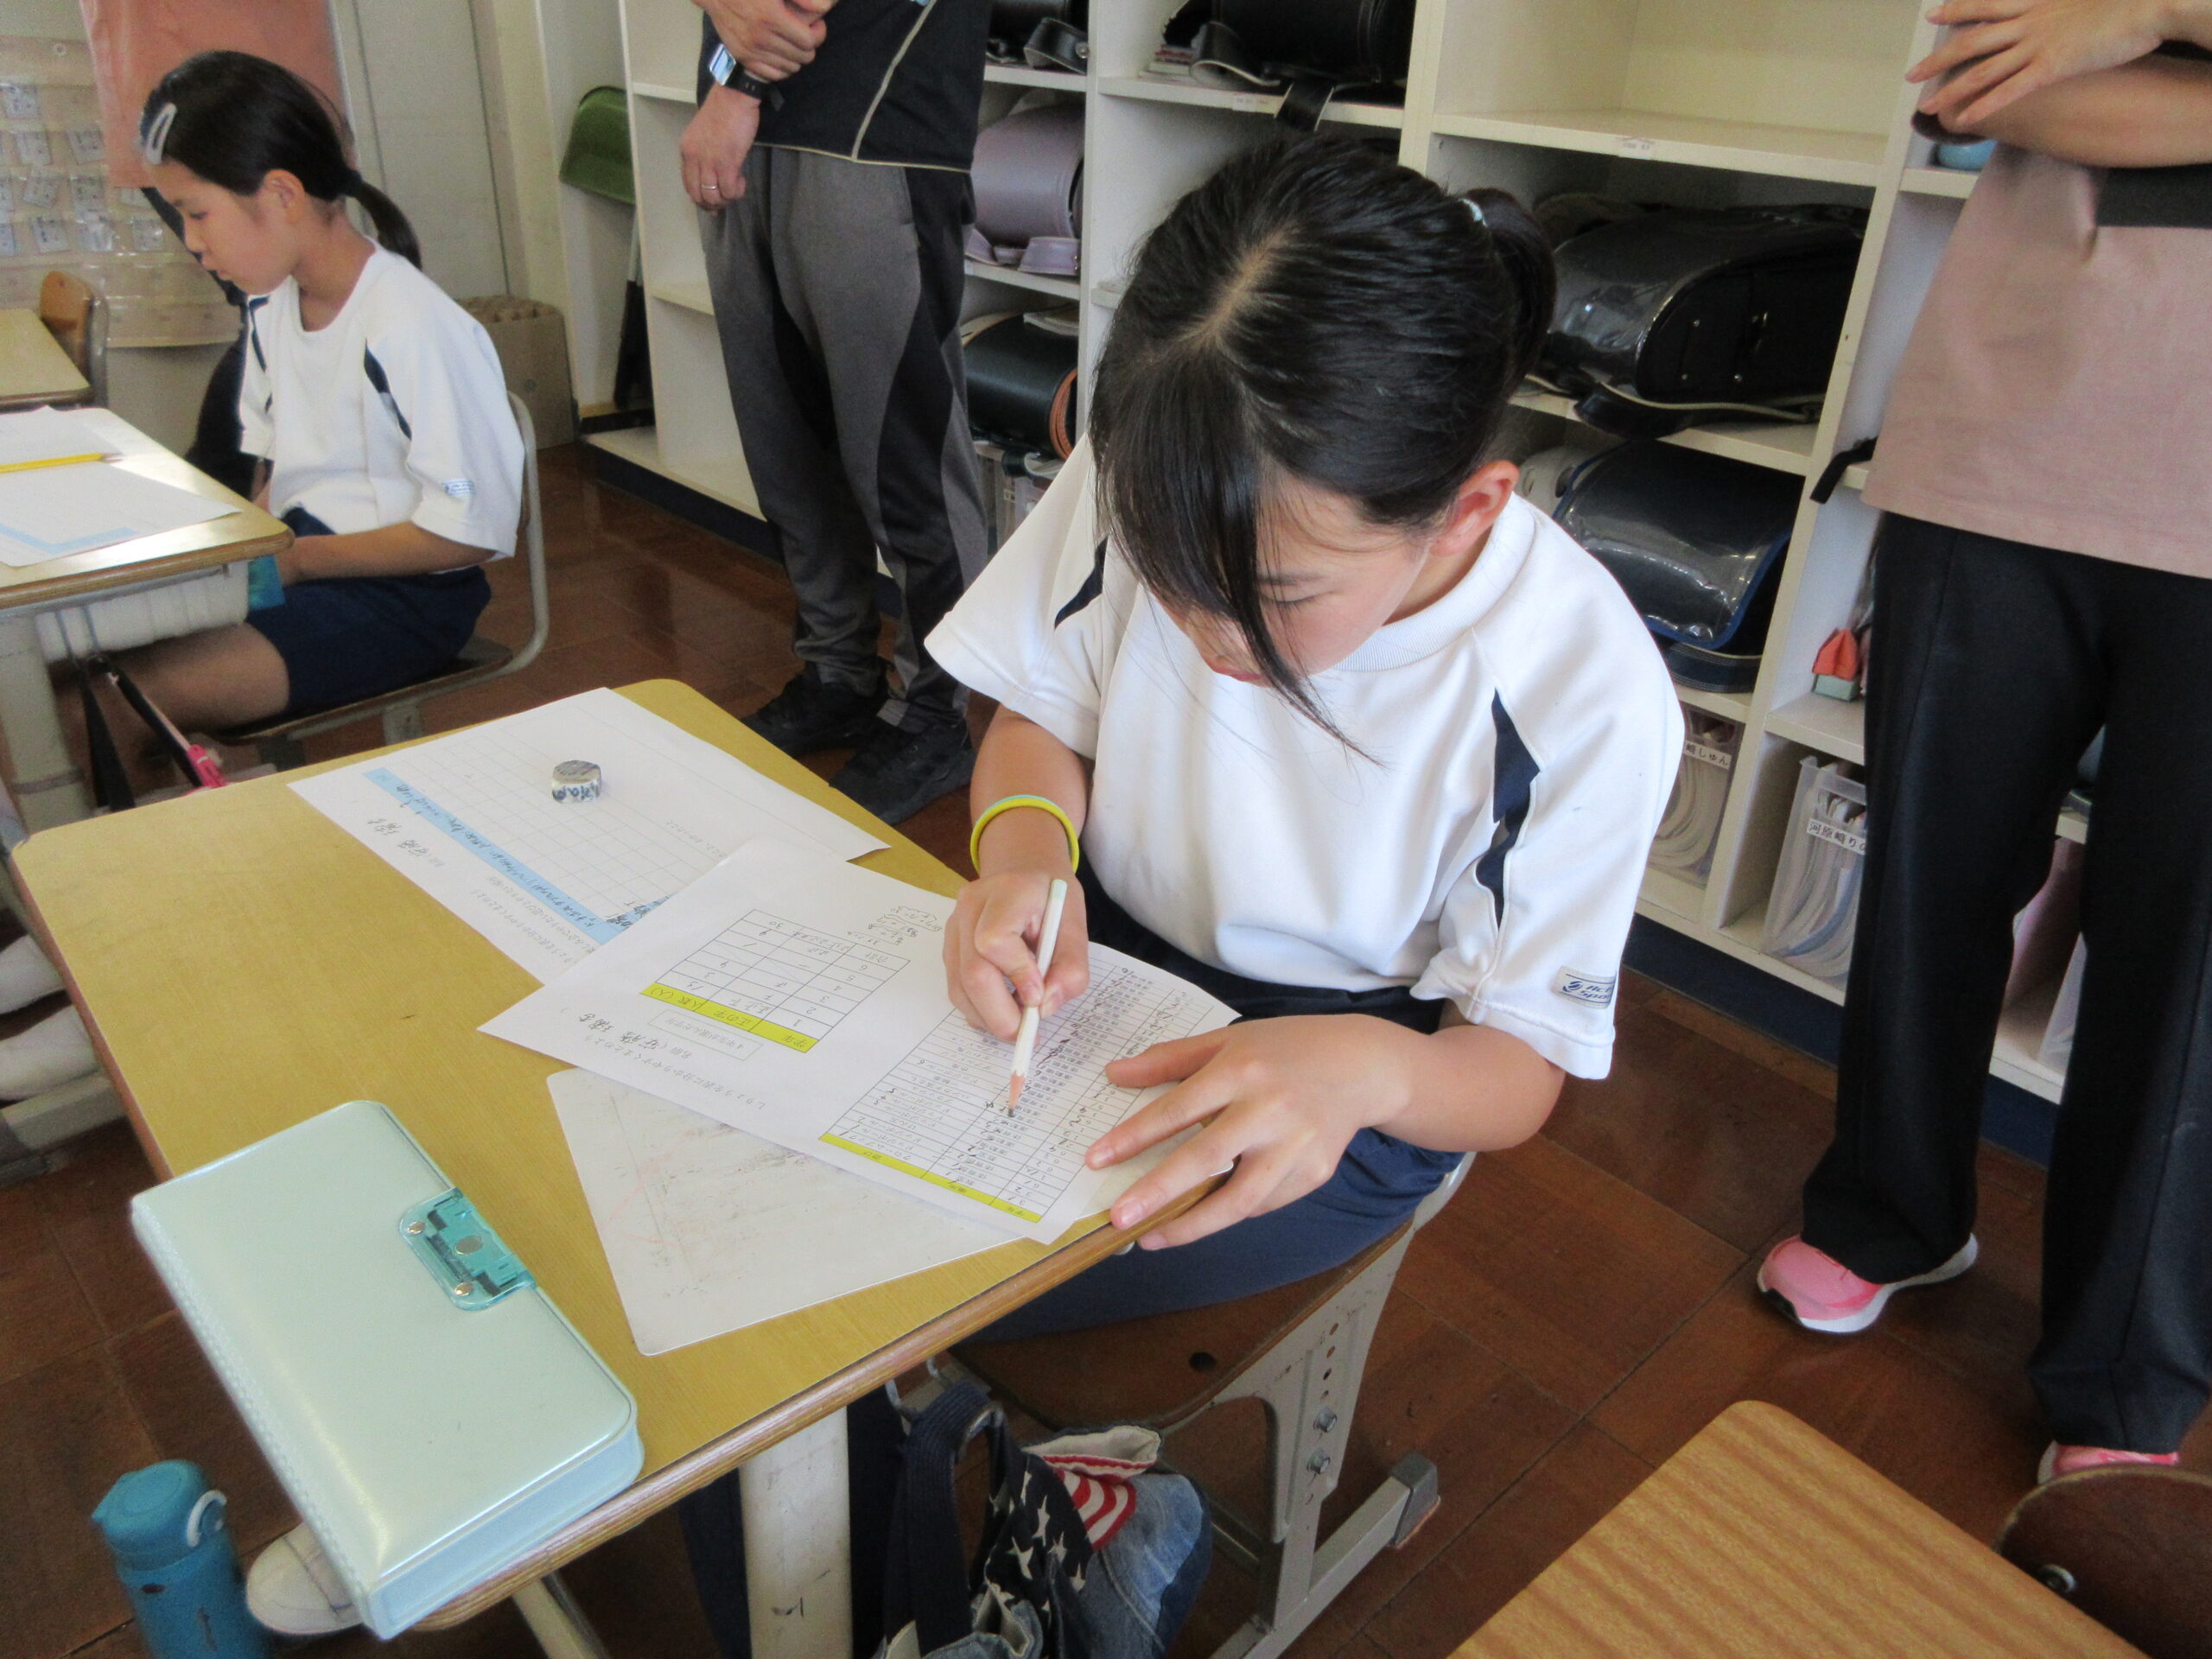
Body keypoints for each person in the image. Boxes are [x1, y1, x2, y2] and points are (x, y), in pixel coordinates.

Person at [928, 135, 1681, 1332]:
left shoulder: (1578, 684)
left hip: (1361, 1064)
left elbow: (1516, 1064)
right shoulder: (1158, 458)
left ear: (1466, 511)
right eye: (1168, 573)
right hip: (1101, 956)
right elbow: (1041, 714)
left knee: (934, 1279)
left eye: (1275, 597)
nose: (1208, 633)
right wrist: (1025, 864)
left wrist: (1365, 1070)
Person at [1756, 0, 2212, 1481]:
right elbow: (1983, 82)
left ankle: (2124, 1376)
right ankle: (1894, 1209)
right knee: (1930, 872)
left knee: (2189, 968)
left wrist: (2143, 18)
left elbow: (2077, 62)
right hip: (2008, 429)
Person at [0, 51, 524, 1109]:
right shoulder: (275, 304)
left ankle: (115, 993)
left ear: (279, 195)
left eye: (196, 215)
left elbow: (467, 534)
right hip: (302, 566)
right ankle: (83, 935)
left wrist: (291, 559)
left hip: (403, 598)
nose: (191, 243)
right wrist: (234, 550)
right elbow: (272, 472)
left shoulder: (414, 327)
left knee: (110, 707)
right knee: (42, 691)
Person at [682, 0, 992, 824]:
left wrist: (738, 84)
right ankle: (839, 675)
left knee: (902, 462)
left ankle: (935, 715)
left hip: (874, 123)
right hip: (747, 133)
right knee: (788, 450)